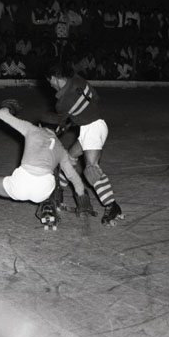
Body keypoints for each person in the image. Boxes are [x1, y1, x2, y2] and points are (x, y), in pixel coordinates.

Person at [0, 104, 93, 230]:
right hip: (43, 191)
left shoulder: (32, 130)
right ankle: (49, 207)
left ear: (40, 125)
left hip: (21, 184)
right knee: (54, 174)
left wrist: (10, 106)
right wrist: (83, 202)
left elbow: (1, 114)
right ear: (59, 129)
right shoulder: (61, 149)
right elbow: (74, 178)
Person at [44, 65, 124, 226]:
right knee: (69, 158)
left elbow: (61, 121)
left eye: (50, 82)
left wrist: (57, 127)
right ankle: (58, 192)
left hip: (92, 129)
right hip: (95, 125)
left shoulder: (62, 102)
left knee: (91, 170)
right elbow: (95, 98)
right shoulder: (78, 80)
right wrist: (80, 116)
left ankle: (112, 206)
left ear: (53, 78)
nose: (50, 85)